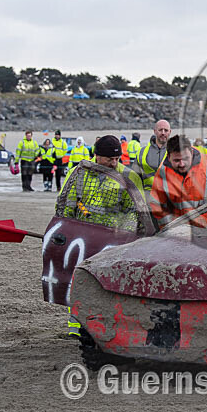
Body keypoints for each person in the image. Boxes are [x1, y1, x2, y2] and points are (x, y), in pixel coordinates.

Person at [58, 135, 145, 337]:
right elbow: (67, 205)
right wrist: (66, 232)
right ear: (97, 156)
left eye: (117, 159)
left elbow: (134, 210)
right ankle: (76, 325)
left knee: (108, 283)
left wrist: (125, 234)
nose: (114, 163)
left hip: (112, 242)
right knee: (79, 281)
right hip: (81, 238)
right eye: (109, 159)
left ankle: (106, 325)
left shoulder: (128, 176)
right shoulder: (79, 174)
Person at [149, 135, 207, 227]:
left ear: (191, 152)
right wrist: (168, 228)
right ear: (169, 157)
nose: (182, 164)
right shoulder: (163, 173)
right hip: (179, 232)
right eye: (177, 160)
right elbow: (157, 206)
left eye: (185, 159)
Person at [137, 119, 172, 189]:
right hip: (147, 196)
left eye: (166, 130)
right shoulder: (142, 152)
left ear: (170, 132)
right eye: (160, 130)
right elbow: (134, 178)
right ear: (155, 131)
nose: (163, 133)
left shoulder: (177, 151)